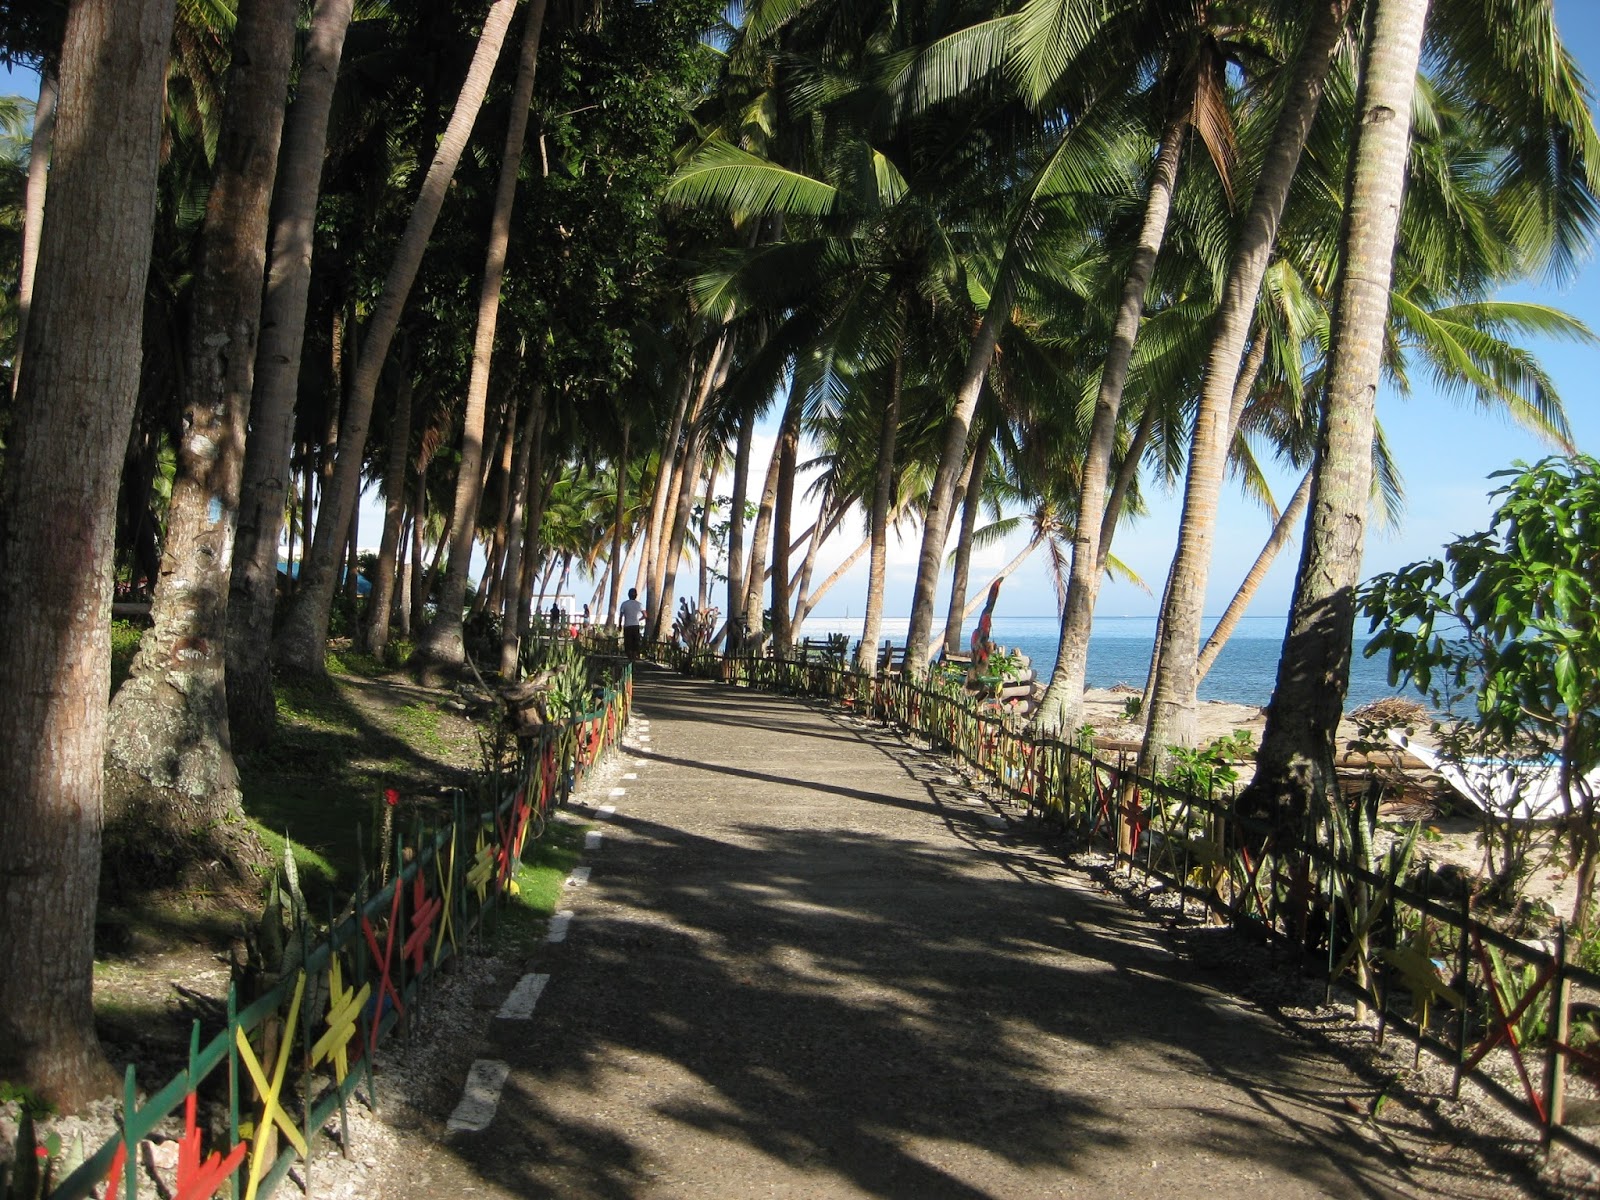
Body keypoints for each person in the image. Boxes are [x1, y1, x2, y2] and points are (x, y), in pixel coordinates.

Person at [619, 587, 646, 661]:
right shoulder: (639, 604)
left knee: (628, 642)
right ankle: (634, 657)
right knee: (635, 641)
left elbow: (621, 616)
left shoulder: (624, 604)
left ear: (628, 595)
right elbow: (645, 615)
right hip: (635, 625)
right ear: (636, 595)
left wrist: (619, 625)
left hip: (627, 625)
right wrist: (639, 619)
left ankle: (630, 657)